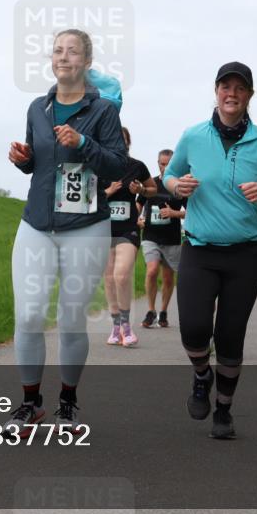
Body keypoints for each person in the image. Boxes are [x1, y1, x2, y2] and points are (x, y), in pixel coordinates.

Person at [5, 29, 127, 437]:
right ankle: (29, 402)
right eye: (57, 50)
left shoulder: (104, 110)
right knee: (29, 314)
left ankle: (68, 402)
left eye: (72, 51)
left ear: (87, 62)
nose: (63, 57)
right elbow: (37, 161)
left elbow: (116, 166)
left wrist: (83, 141)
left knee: (71, 317)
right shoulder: (37, 108)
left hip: (86, 226)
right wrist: (23, 158)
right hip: (36, 223)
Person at [165, 61, 257, 439]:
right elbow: (169, 175)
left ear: (250, 95)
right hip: (200, 249)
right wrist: (176, 187)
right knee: (194, 328)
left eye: (240, 88)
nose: (231, 94)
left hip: (245, 255)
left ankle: (224, 410)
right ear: (216, 92)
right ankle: (202, 376)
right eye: (225, 87)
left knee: (231, 335)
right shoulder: (193, 135)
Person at [102, 127, 156, 348]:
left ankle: (126, 326)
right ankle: (116, 326)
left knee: (121, 275)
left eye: (122, 140)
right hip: (102, 230)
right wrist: (107, 192)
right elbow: (85, 197)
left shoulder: (137, 166)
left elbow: (153, 189)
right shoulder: (98, 165)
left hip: (127, 229)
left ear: (128, 143)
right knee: (108, 279)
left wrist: (141, 189)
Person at [136, 149, 186, 328]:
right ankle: (150, 310)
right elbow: (139, 202)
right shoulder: (152, 184)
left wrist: (173, 213)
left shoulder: (179, 187)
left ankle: (163, 311)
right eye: (161, 163)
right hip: (151, 236)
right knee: (151, 270)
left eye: (168, 164)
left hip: (171, 238)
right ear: (157, 163)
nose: (164, 167)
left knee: (167, 277)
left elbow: (189, 212)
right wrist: (137, 218)